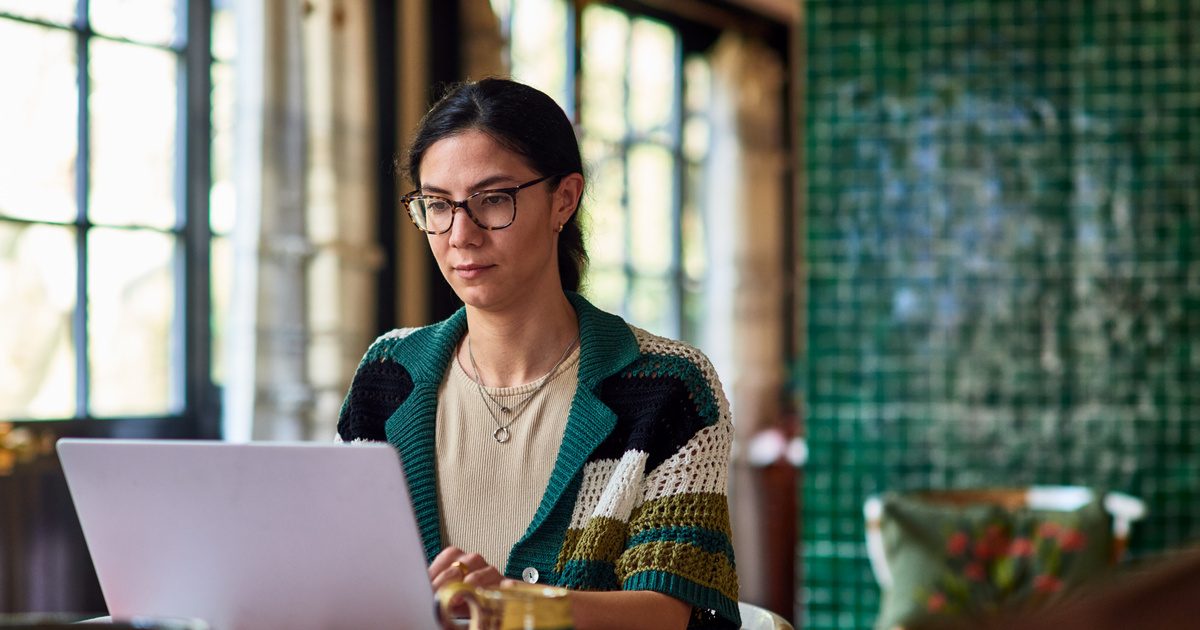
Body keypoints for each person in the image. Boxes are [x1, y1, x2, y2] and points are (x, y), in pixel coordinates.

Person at [337, 77, 740, 630]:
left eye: (493, 200)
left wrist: (515, 605)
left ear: (564, 200)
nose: (461, 234)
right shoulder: (387, 376)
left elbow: (670, 609)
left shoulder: (669, 386)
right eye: (437, 205)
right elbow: (346, 573)